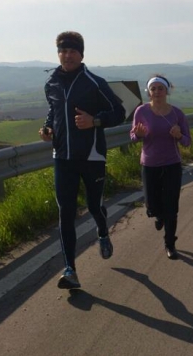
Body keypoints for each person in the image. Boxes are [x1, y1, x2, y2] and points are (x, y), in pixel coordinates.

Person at [39, 31, 126, 289]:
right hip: (62, 157)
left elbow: (119, 112)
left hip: (91, 156)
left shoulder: (94, 82)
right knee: (65, 212)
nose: (67, 55)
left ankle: (102, 230)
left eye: (72, 51)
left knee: (93, 205)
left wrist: (94, 121)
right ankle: (70, 270)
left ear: (81, 54)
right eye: (63, 51)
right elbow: (53, 112)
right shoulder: (51, 83)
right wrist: (47, 129)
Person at [130, 75, 192, 260]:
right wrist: (138, 135)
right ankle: (159, 216)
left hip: (172, 164)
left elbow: (188, 141)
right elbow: (133, 136)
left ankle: (170, 244)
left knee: (171, 207)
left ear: (167, 91)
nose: (157, 91)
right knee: (152, 206)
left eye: (160, 88)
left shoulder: (177, 114)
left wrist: (179, 135)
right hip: (149, 165)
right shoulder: (141, 111)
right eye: (153, 88)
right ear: (149, 92)